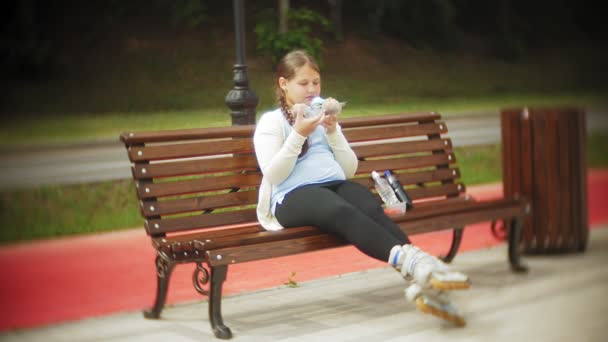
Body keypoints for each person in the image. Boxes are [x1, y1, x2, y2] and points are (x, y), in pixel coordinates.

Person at [253, 49, 470, 326]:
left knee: (368, 206)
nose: (311, 89)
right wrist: (298, 134)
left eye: (316, 82)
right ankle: (421, 267)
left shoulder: (320, 114)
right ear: (284, 84)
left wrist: (332, 131)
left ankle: (426, 283)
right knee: (340, 211)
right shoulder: (271, 122)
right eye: (303, 83)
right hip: (290, 198)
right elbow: (274, 174)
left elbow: (348, 169)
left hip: (333, 184)